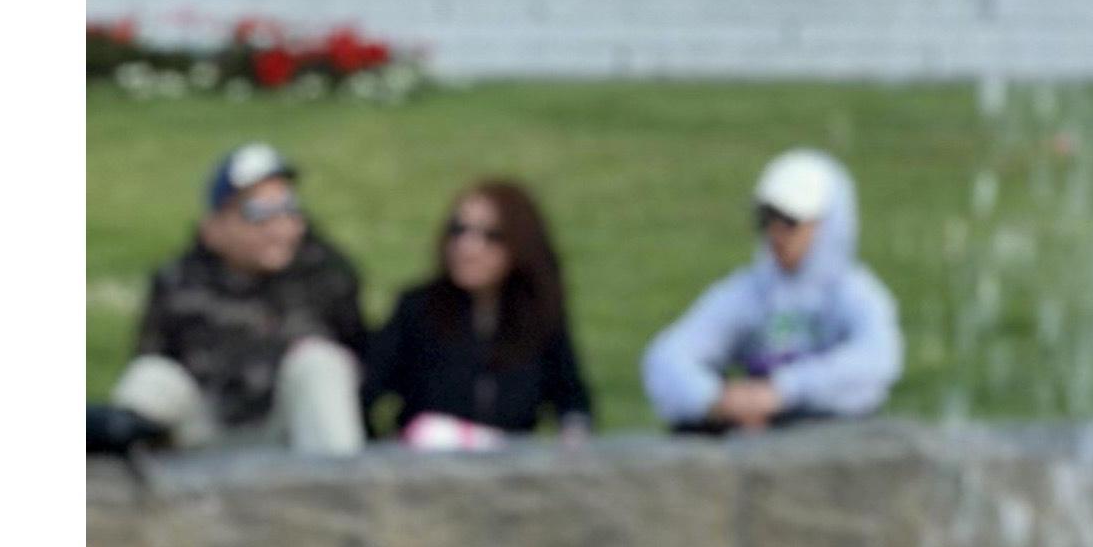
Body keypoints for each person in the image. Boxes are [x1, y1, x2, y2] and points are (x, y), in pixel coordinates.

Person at [114, 143, 369, 455]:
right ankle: (121, 493)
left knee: (321, 362)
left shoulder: (327, 275)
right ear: (215, 228)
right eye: (258, 213)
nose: (279, 227)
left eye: (288, 208)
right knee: (151, 375)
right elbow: (154, 356)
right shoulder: (178, 281)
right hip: (203, 432)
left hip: (292, 435)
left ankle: (342, 491)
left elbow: (361, 362)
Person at [640, 148, 903, 433]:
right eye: (766, 220)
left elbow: (878, 359)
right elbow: (666, 356)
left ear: (828, 224)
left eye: (791, 222)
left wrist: (782, 391)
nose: (776, 234)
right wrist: (714, 398)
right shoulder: (750, 291)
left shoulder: (856, 293)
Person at [362, 178, 596, 447]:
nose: (468, 247)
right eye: (458, 231)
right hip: (427, 464)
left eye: (491, 236)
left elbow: (572, 400)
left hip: (510, 466)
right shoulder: (418, 308)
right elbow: (367, 389)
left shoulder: (538, 315)